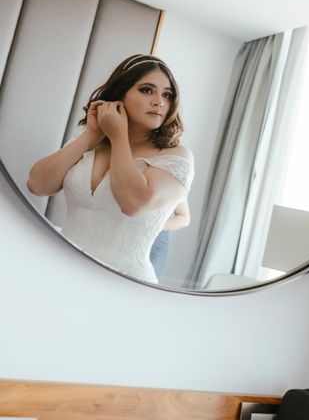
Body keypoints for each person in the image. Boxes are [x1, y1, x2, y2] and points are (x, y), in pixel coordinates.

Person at [27, 54, 194, 284]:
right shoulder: (87, 145)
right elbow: (37, 185)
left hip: (123, 286)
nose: (159, 101)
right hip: (61, 273)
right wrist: (91, 136)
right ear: (120, 94)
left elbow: (132, 203)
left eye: (167, 94)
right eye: (147, 90)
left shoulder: (176, 157)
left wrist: (118, 137)